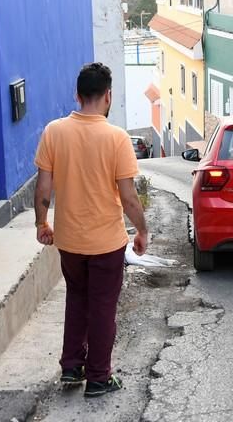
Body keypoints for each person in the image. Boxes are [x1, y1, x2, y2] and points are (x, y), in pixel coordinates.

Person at [33, 62, 148, 398]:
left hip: (68, 239)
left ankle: (71, 366)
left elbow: (43, 189)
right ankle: (98, 376)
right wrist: (142, 231)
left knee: (77, 299)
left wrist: (42, 223)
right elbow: (128, 198)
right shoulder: (116, 138)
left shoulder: (54, 131)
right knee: (102, 306)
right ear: (108, 96)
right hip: (106, 241)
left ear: (77, 95)